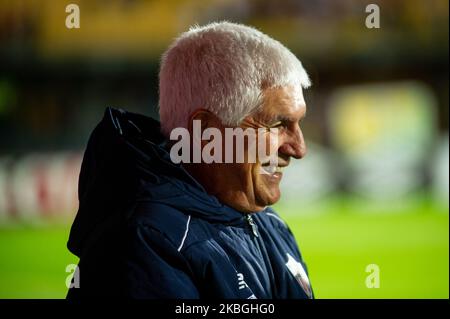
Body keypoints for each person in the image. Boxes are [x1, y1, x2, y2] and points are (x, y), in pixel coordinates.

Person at [67, 21, 313, 299]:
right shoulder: (143, 244)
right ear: (206, 133)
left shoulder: (268, 223)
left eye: (298, 123)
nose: (298, 148)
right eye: (278, 124)